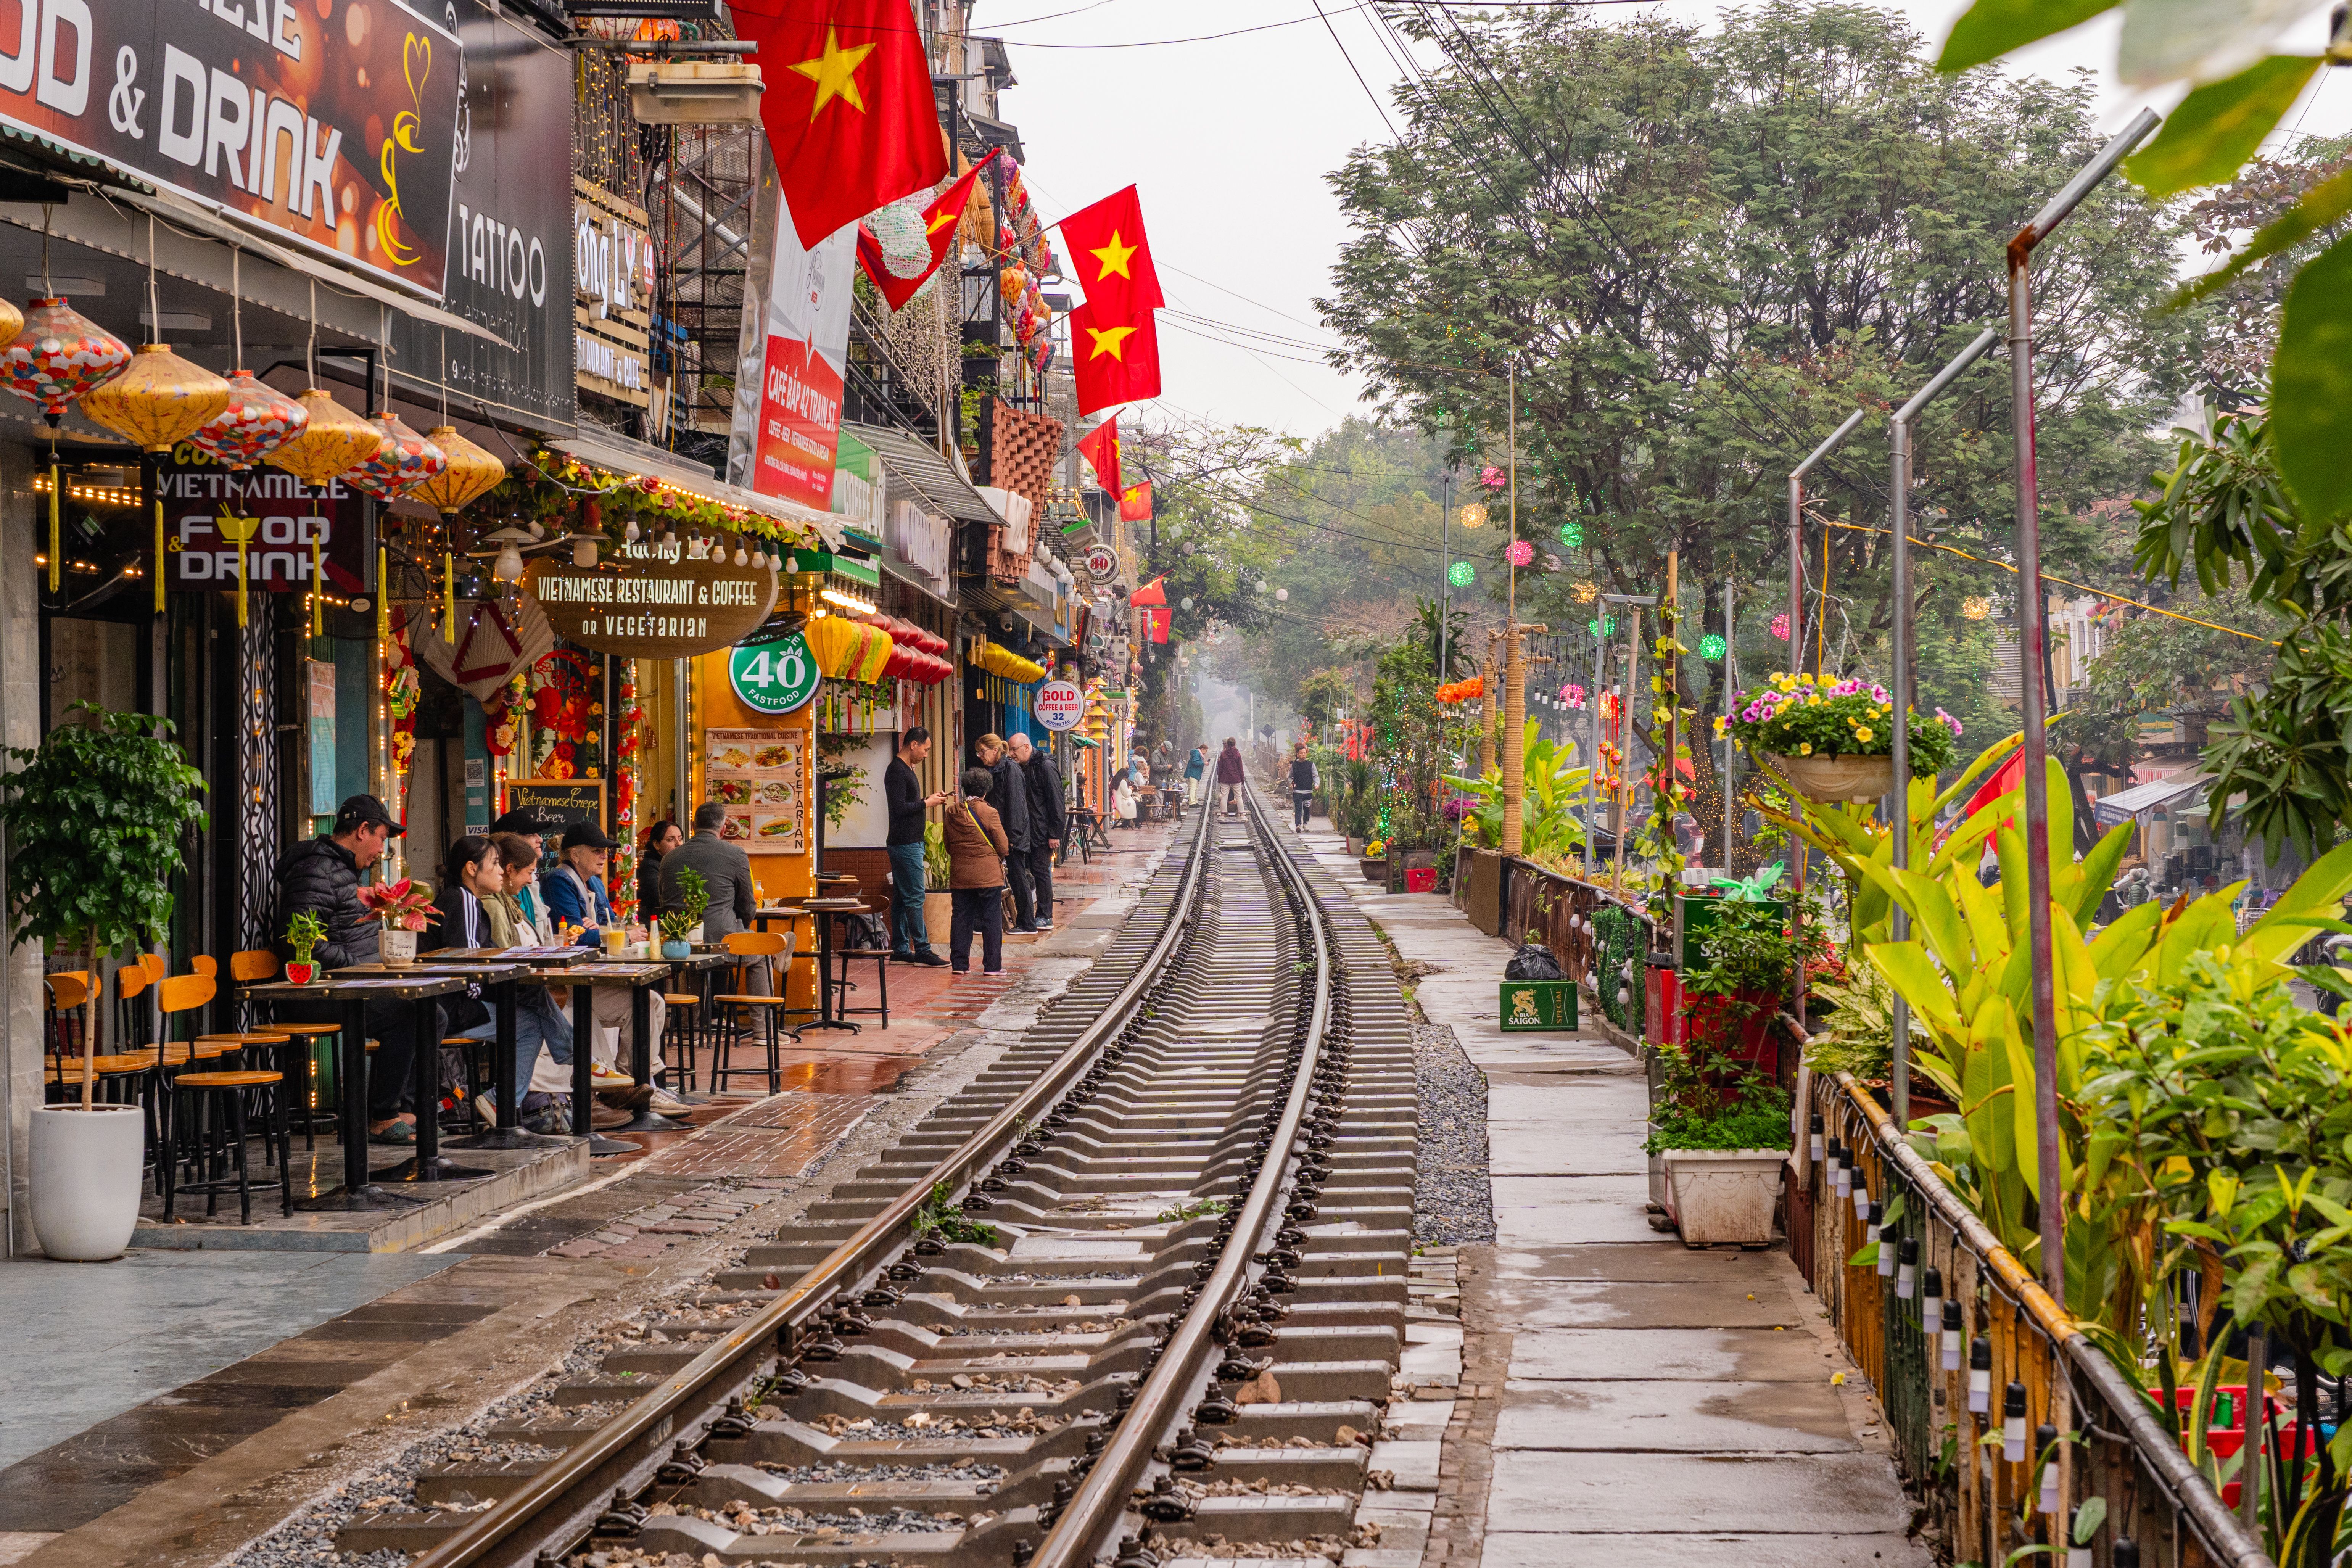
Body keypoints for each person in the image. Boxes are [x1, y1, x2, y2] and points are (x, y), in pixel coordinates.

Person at [272, 794, 424, 1143]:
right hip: (317, 991)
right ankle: (382, 1117)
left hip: (355, 984)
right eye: (381, 840)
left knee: (431, 1011)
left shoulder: (343, 870)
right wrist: (356, 967)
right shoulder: (316, 870)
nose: (380, 851)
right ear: (362, 830)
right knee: (411, 1016)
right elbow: (300, 938)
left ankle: (400, 1109)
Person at [541, 820, 666, 1079]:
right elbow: (576, 934)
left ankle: (632, 1076)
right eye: (597, 851)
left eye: (605, 851)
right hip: (570, 985)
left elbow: (609, 925)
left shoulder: (595, 884)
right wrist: (605, 933)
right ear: (575, 854)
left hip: (597, 974)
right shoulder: (558, 881)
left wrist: (601, 931)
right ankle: (641, 1081)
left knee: (654, 1002)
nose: (604, 856)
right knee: (644, 1003)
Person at [478, 832, 583, 1129]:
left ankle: (503, 1101)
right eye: (528, 873)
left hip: (505, 992)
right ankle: (578, 1059)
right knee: (537, 1007)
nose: (531, 879)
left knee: (539, 1010)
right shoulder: (492, 906)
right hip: (483, 998)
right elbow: (502, 957)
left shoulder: (509, 904)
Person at [663, 801, 765, 986]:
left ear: (694, 827)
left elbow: (665, 903)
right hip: (723, 942)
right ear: (724, 828)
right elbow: (748, 905)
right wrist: (739, 927)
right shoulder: (735, 854)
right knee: (762, 956)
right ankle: (762, 1015)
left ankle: (695, 1014)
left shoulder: (669, 858)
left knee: (695, 970)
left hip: (679, 947)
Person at [884, 727, 952, 965]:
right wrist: (927, 803)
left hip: (909, 842)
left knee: (903, 899)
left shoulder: (906, 770)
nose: (926, 755)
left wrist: (929, 800)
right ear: (913, 745)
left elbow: (907, 804)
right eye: (925, 749)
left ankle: (901, 950)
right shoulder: (896, 771)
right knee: (915, 897)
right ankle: (923, 950)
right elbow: (899, 809)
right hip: (905, 843)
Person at [943, 765, 1010, 975]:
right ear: (986, 791)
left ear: (964, 788)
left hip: (961, 874)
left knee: (961, 918)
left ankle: (960, 965)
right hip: (988, 876)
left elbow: (948, 844)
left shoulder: (951, 812)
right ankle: (992, 966)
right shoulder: (989, 812)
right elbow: (1004, 846)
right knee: (991, 919)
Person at [977, 732, 1037, 933]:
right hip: (1002, 833)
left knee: (1019, 878)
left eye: (983, 752)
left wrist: (1012, 837)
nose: (981, 756)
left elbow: (1016, 805)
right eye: (978, 753)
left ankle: (1028, 923)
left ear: (995, 751)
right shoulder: (995, 770)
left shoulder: (1010, 769)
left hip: (1013, 835)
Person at [1009, 732, 1064, 932]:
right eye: (1009, 750)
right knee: (1032, 872)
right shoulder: (1021, 767)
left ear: (1026, 747)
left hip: (1042, 831)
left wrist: (1055, 833)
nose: (1011, 754)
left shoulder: (1046, 766)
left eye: (1014, 750)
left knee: (1041, 872)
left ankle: (1045, 916)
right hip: (1027, 831)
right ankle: (1035, 915)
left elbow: (1056, 800)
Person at [638, 819, 681, 919]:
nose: (678, 844)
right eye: (671, 840)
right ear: (657, 845)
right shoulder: (650, 866)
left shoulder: (675, 864)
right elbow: (661, 898)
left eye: (680, 838)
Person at [1214, 736, 1247, 817]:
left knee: (1224, 796)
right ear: (1235, 744)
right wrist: (1242, 780)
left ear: (1227, 745)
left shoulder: (1223, 754)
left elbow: (1220, 768)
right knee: (1239, 796)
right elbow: (1240, 768)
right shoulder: (1237, 754)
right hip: (1236, 778)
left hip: (1225, 779)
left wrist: (1220, 778)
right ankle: (1241, 815)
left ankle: (1223, 815)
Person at [1288, 743, 1318, 831]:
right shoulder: (1294, 766)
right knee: (1298, 808)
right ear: (1298, 755)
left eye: (1305, 753)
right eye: (1302, 753)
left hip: (1308, 791)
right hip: (1297, 791)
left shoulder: (1311, 765)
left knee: (1307, 808)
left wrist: (1317, 784)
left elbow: (1316, 776)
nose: (1304, 755)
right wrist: (1291, 783)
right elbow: (1290, 777)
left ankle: (1306, 823)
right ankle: (1298, 825)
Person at [1184, 743, 1206, 807]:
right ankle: (1192, 803)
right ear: (1202, 749)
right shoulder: (1197, 753)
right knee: (1193, 788)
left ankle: (1195, 801)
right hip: (1193, 773)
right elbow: (1195, 762)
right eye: (1206, 751)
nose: (1206, 753)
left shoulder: (1198, 753)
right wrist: (1203, 763)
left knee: (1195, 787)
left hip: (1195, 774)